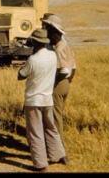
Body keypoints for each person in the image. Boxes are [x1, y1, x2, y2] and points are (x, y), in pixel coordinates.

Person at [18, 28, 67, 172]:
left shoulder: (32, 59)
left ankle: (40, 164)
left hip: (33, 100)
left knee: (35, 132)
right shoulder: (52, 55)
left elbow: (21, 75)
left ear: (34, 41)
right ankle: (58, 154)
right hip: (47, 99)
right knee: (51, 128)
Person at [42, 14, 77, 143]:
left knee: (55, 117)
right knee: (57, 114)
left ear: (54, 31)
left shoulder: (59, 49)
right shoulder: (65, 45)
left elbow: (63, 70)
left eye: (48, 30)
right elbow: (73, 67)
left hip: (58, 84)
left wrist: (52, 81)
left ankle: (58, 146)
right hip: (65, 84)